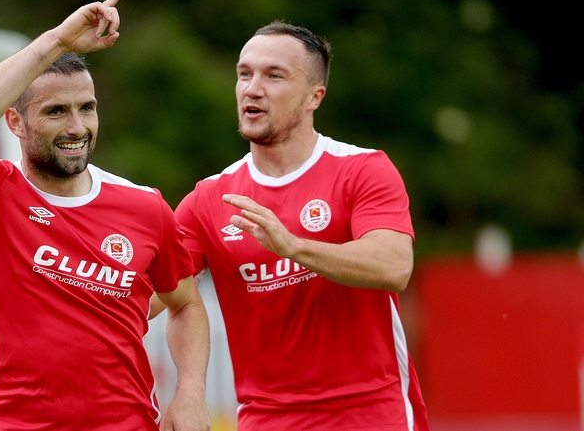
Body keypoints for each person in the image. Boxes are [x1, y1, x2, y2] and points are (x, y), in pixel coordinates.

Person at [0, 0, 210, 431]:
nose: (77, 127)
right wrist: (59, 41)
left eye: (87, 108)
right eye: (56, 111)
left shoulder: (145, 206)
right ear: (15, 122)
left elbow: (186, 304)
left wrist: (191, 393)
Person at [174, 22, 430, 430]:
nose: (252, 88)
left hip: (371, 411)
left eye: (274, 75)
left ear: (315, 96)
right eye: (244, 73)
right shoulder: (209, 198)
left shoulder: (361, 169)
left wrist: (292, 246)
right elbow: (154, 296)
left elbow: (394, 266)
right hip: (267, 417)